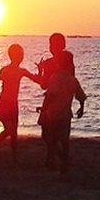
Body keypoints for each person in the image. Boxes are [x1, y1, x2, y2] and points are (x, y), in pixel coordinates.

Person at [41, 51, 86, 174]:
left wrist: (44, 110)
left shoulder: (55, 78)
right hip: (66, 115)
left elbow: (50, 96)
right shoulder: (73, 80)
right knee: (64, 141)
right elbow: (81, 97)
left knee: (51, 140)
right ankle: (63, 166)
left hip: (54, 115)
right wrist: (81, 108)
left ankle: (53, 162)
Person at [0, 43, 40, 163]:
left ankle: (14, 157)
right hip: (3, 103)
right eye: (19, 55)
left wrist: (40, 70)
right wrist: (3, 73)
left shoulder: (21, 71)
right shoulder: (6, 69)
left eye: (22, 55)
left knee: (14, 133)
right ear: (13, 56)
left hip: (13, 105)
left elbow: (36, 79)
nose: (21, 57)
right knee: (10, 130)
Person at [36, 33, 70, 167]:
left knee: (48, 134)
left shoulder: (50, 64)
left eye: (52, 44)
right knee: (60, 136)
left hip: (51, 101)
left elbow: (44, 85)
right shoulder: (68, 63)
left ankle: (57, 158)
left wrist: (40, 71)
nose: (51, 47)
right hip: (64, 102)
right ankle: (57, 159)